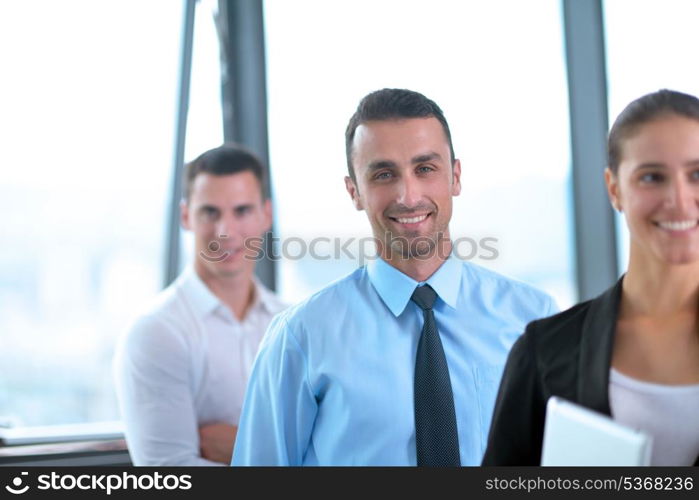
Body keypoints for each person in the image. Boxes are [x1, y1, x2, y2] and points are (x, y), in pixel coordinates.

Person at [231, 88, 557, 466]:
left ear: (455, 176)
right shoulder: (301, 337)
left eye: (425, 169)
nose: (408, 195)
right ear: (354, 192)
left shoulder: (532, 319)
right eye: (384, 174)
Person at [482, 89, 699, 466]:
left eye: (697, 174)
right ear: (614, 188)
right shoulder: (545, 351)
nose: (679, 200)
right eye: (652, 177)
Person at [113, 145, 287, 465]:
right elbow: (167, 475)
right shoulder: (157, 332)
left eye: (242, 211)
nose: (225, 232)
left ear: (266, 214)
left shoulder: (291, 323)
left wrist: (243, 448)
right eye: (210, 212)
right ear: (185, 216)